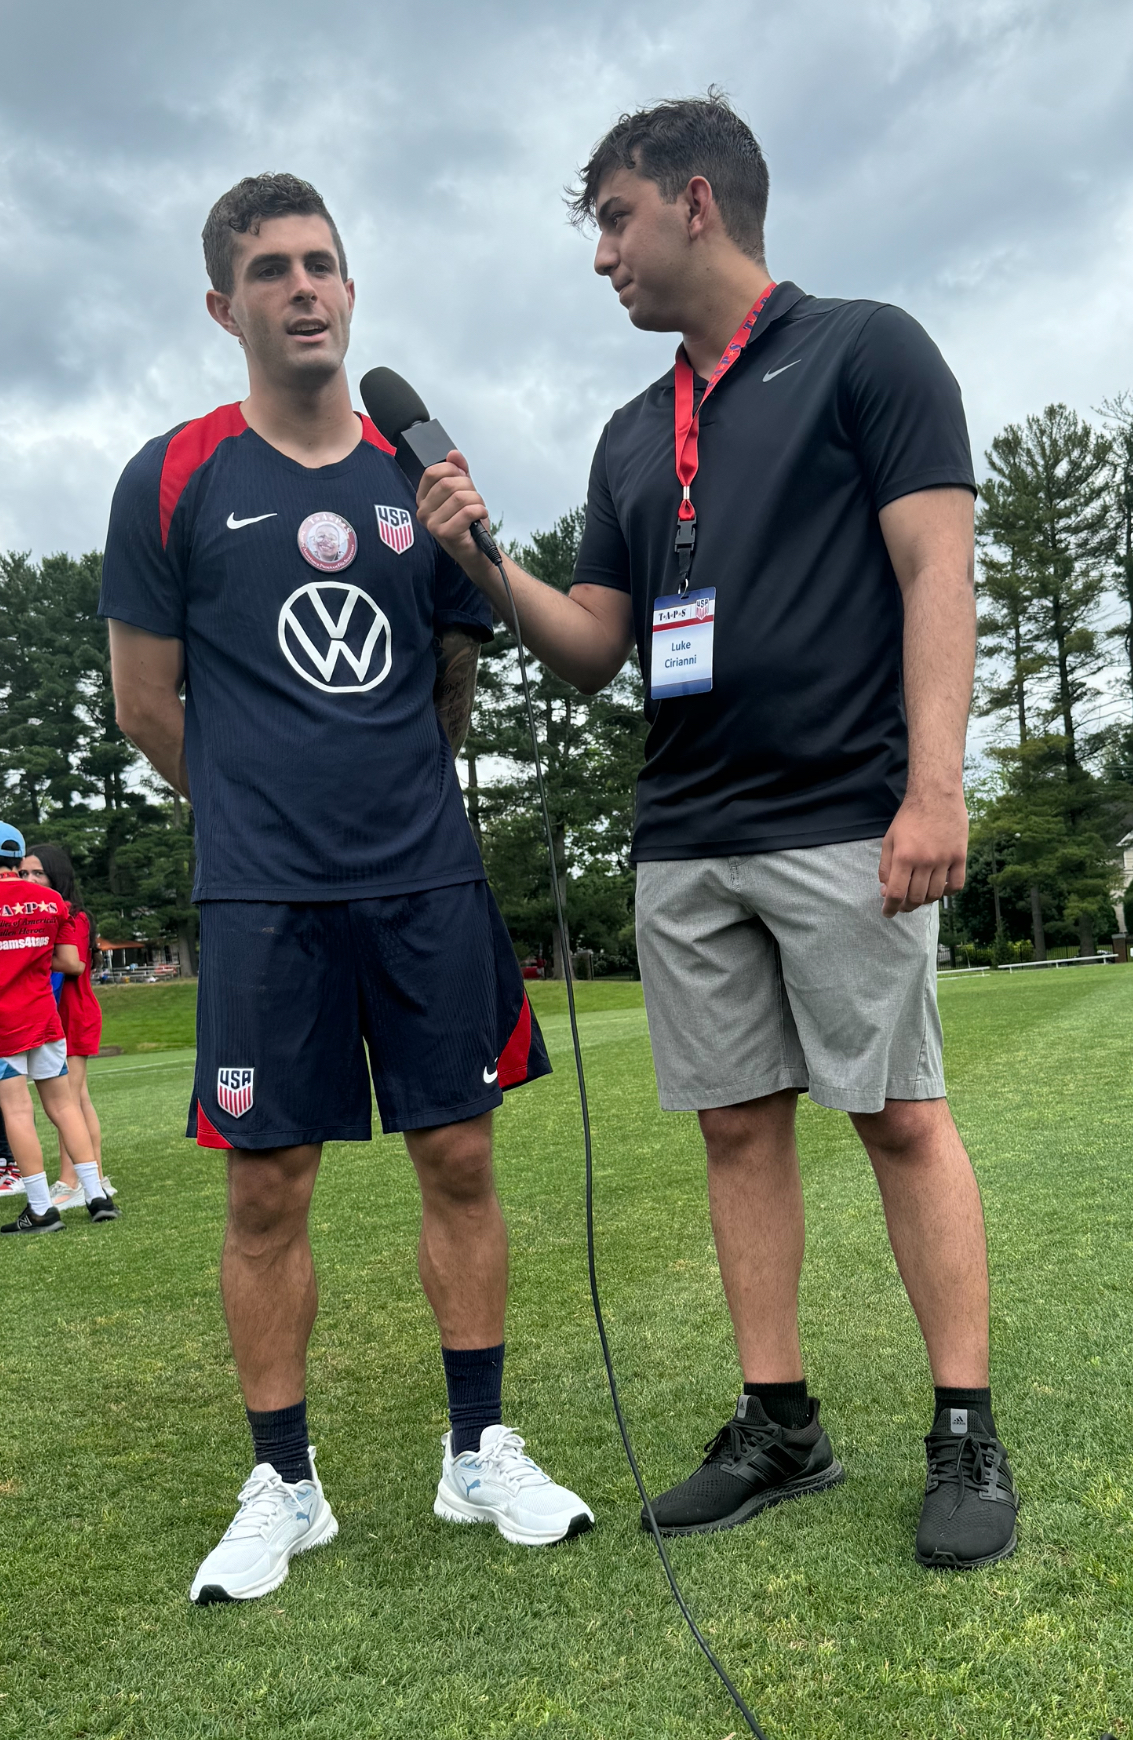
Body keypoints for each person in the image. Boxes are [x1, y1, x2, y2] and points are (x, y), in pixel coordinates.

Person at [415, 95, 1019, 1571]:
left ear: (696, 202)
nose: (600, 255)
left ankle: (962, 1429)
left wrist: (931, 787)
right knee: (736, 1127)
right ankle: (777, 1423)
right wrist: (483, 558)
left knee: (893, 1114)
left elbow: (937, 567)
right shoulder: (632, 433)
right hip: (682, 836)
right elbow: (591, 647)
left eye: (613, 220)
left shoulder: (867, 350)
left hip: (839, 815)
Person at [101, 173, 592, 1607]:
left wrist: (460, 561)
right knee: (268, 1187)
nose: (302, 288)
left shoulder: (411, 477)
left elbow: (452, 675)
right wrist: (267, 807)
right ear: (223, 305)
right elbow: (143, 705)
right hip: (264, 899)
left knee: (460, 1160)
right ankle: (287, 1485)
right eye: (270, 271)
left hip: (425, 878)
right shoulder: (172, 475)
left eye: (322, 264)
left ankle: (475, 1448)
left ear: (351, 290)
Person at [0, 821, 120, 1232]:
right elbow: (71, 959)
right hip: (46, 1019)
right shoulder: (52, 902)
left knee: (17, 1110)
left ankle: (40, 1208)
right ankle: (96, 1195)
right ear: (17, 859)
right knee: (64, 1105)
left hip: (5, 1023)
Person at [20, 845, 115, 1208]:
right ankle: (98, 1178)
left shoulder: (71, 914)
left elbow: (73, 964)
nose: (29, 880)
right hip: (64, 1013)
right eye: (25, 873)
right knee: (78, 1099)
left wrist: (28, 954)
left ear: (56, 876)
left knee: (67, 1103)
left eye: (38, 873)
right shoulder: (46, 913)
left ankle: (70, 1182)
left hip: (73, 1013)